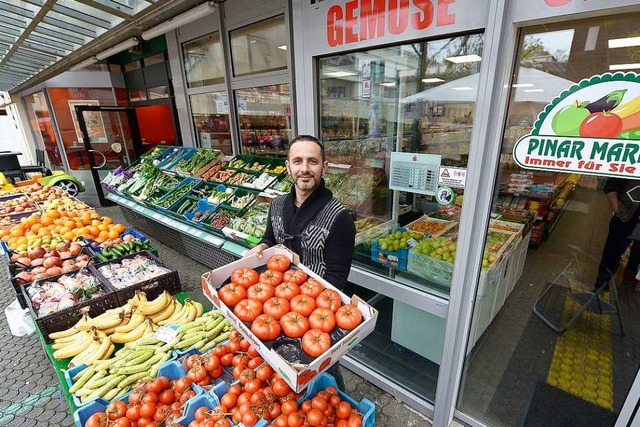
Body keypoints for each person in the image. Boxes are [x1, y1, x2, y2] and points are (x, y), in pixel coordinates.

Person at [246, 134, 356, 389]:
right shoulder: (276, 205)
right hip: (275, 304)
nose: (304, 169)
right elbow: (269, 238)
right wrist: (261, 247)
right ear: (288, 166)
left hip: (315, 313)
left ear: (324, 167)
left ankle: (335, 393)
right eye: (297, 161)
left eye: (312, 162)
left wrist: (304, 306)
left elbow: (337, 278)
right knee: (279, 370)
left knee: (322, 370)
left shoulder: (339, 219)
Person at [594, 177, 640, 291]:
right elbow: (611, 185)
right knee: (611, 255)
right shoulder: (632, 164)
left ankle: (629, 285)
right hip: (624, 220)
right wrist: (617, 208)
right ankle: (601, 286)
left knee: (636, 259)